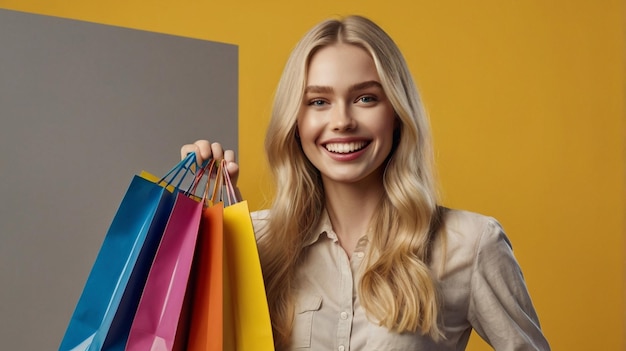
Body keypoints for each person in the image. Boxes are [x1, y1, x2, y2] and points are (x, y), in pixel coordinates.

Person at [181, 15, 550, 351]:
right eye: (319, 101)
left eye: (365, 98)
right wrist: (206, 226)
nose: (342, 121)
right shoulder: (256, 241)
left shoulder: (470, 244)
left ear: (397, 114)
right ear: (295, 122)